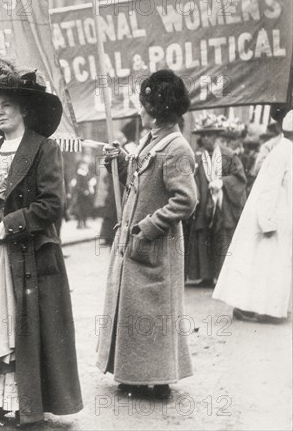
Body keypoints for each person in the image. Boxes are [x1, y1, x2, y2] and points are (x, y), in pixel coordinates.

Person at [0, 59, 82, 426]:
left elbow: (51, 205)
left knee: (26, 329)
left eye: (6, 107)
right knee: (0, 323)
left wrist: (10, 225)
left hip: (31, 252)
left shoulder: (45, 149)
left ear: (23, 109)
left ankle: (23, 402)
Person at [97, 69, 197, 400]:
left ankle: (158, 380)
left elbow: (186, 200)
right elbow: (140, 180)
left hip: (155, 244)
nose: (140, 110)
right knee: (133, 310)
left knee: (153, 313)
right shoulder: (152, 140)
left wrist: (149, 227)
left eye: (144, 104)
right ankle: (133, 375)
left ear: (155, 108)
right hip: (134, 241)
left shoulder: (177, 147)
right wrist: (121, 161)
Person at [213, 107, 292, 322]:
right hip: (270, 218)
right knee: (262, 264)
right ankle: (258, 309)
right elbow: (269, 190)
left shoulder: (286, 151)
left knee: (270, 265)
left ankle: (268, 309)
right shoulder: (282, 152)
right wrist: (267, 222)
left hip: (281, 218)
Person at [186, 114, 247, 287]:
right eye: (203, 135)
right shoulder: (199, 158)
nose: (206, 139)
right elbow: (193, 179)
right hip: (205, 203)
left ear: (216, 136)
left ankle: (223, 277)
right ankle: (206, 276)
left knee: (222, 238)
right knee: (204, 237)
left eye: (209, 135)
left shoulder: (228, 156)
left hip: (224, 204)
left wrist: (223, 182)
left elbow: (240, 178)